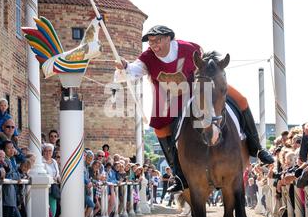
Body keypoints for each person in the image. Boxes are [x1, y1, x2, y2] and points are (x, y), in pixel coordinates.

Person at [114, 25, 274, 192]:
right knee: (160, 130)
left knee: (241, 99)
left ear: (169, 38)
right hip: (169, 99)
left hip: (198, 89)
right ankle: (179, 175)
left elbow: (208, 67)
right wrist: (124, 66)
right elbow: (132, 70)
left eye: (157, 40)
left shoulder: (190, 48)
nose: (153, 45)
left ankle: (257, 149)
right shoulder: (147, 57)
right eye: (150, 42)